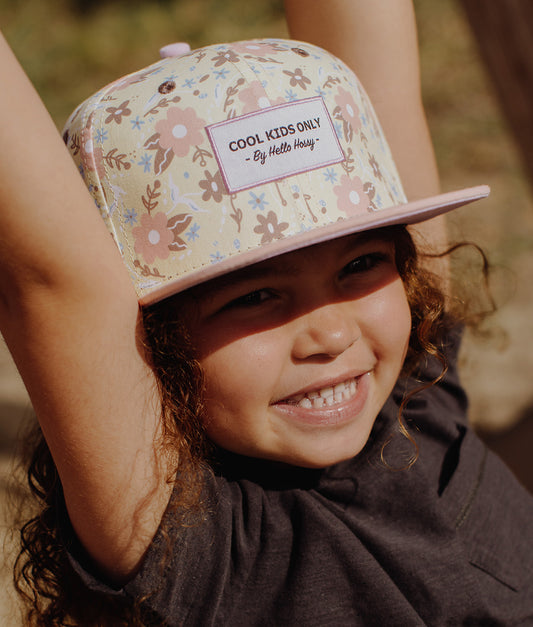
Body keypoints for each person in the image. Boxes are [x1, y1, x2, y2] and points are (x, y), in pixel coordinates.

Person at [1, 1, 532, 625]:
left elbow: (371, 44)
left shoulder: (421, 399)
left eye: (360, 264)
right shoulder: (198, 547)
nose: (334, 333)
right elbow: (51, 281)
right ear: (155, 346)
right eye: (253, 296)